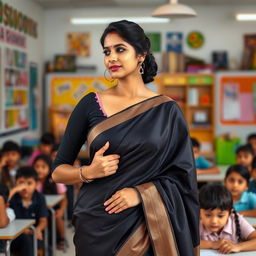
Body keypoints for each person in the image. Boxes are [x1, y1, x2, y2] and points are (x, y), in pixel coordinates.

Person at [52, 20, 199, 256]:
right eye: (107, 52)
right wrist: (87, 172)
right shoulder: (90, 104)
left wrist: (141, 194)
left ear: (141, 55)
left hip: (149, 222)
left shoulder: (166, 110)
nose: (111, 57)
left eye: (120, 49)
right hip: (97, 222)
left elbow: (183, 176)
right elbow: (58, 170)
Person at [199, 182, 256, 253]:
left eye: (220, 216)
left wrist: (238, 246)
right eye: (208, 215)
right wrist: (212, 244)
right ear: (199, 212)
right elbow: (185, 243)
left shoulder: (236, 219)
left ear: (229, 213)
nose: (214, 221)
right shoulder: (197, 224)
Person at [9, 166, 48, 256]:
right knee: (26, 239)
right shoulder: (12, 198)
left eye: (29, 183)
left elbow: (43, 221)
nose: (25, 187)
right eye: (21, 183)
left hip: (34, 235)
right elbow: (3, 205)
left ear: (37, 184)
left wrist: (37, 229)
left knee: (33, 240)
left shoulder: (40, 198)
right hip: (15, 237)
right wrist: (13, 190)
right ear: (15, 183)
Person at [33, 154, 67, 249]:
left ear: (49, 167)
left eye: (43, 167)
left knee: (56, 216)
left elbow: (64, 200)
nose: (39, 169)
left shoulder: (55, 180)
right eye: (37, 166)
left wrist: (61, 210)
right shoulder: (32, 182)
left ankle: (62, 239)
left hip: (53, 209)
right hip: (37, 210)